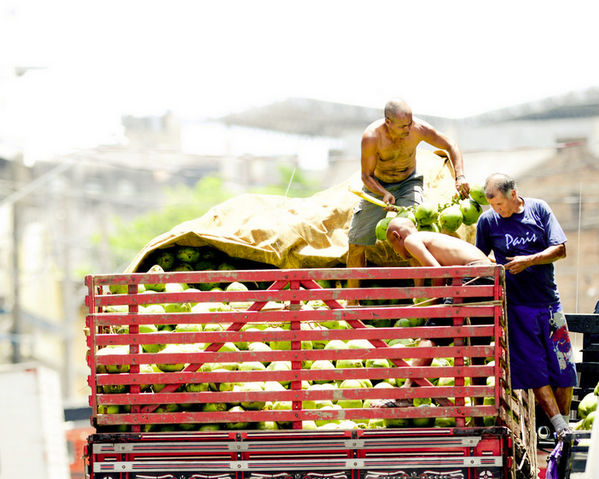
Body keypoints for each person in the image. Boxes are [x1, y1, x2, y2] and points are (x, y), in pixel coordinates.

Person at [475, 172, 577, 440]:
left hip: (550, 303)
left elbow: (560, 249)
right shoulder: (487, 221)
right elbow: (477, 259)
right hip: (517, 308)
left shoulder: (539, 209)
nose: (496, 210)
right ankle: (560, 427)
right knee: (534, 370)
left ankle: (565, 426)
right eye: (492, 205)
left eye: (499, 204)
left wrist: (529, 260)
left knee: (564, 367)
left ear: (513, 194)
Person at [347, 98, 468, 304]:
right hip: (377, 184)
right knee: (356, 241)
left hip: (409, 182)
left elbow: (451, 145)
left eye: (410, 123)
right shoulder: (372, 136)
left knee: (414, 238)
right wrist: (383, 192)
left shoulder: (418, 129)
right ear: (388, 122)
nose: (408, 129)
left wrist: (460, 176)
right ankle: (352, 301)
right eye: (403, 126)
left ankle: (419, 298)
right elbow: (366, 176)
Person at [371, 217, 492, 409]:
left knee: (430, 334)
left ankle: (405, 395)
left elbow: (437, 272)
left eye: (393, 247)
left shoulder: (411, 240)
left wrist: (434, 306)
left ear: (396, 236)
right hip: (489, 278)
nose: (396, 253)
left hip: (472, 276)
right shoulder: (432, 238)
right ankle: (478, 413)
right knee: (476, 350)